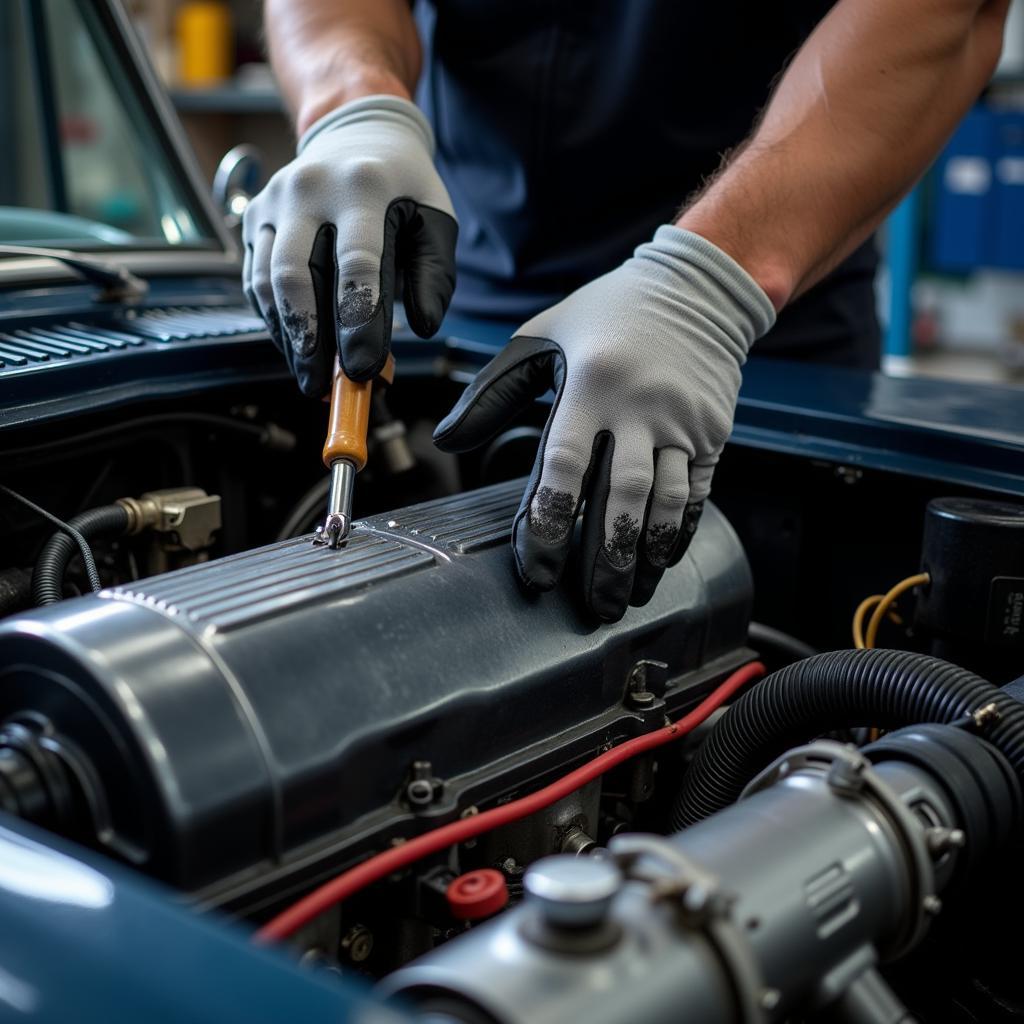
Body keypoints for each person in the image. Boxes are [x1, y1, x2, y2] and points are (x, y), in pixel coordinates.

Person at [244, 0, 1010, 622]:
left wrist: (708, 284)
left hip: (748, 331)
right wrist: (353, 106)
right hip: (472, 314)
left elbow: (945, 13)